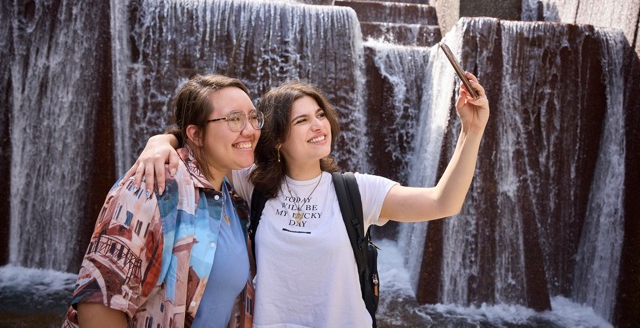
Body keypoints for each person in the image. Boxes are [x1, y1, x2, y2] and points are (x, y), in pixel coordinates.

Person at [126, 73, 489, 327]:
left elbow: (444, 202)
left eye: (320, 115)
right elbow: (205, 143)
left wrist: (471, 132)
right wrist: (160, 142)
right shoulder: (252, 184)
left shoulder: (358, 191)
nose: (319, 125)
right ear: (278, 138)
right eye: (302, 120)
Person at [62, 74, 264, 328]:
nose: (250, 129)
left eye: (254, 117)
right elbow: (98, 302)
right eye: (235, 119)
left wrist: (163, 139)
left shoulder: (233, 198)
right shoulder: (152, 185)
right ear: (196, 134)